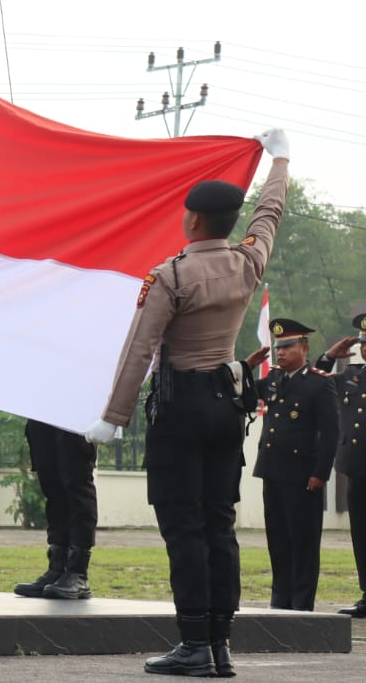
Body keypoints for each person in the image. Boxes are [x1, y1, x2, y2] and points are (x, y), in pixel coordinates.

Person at [84, 128, 290, 678]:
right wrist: (281, 157)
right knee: (219, 524)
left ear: (192, 220)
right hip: (227, 407)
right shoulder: (247, 265)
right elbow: (268, 216)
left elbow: (139, 351)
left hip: (180, 411)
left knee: (184, 526)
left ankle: (194, 643)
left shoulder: (172, 275)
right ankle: (220, 645)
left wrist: (113, 417)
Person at [250, 318, 338, 611]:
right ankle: (280, 599)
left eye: (288, 346)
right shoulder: (274, 379)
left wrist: (320, 473)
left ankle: (301, 603)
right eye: (278, 348)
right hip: (272, 472)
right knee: (278, 538)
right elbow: (245, 394)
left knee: (302, 540)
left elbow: (330, 433)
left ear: (304, 348)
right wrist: (247, 366)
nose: (281, 353)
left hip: (302, 476)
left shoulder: (318, 383)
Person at [315, 311, 366, 616]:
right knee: (361, 533)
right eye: (364, 342)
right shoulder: (351, 376)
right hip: (357, 469)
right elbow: (313, 384)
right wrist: (328, 357)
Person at [13, 420, 97, 599]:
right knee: (51, 484)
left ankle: (78, 573)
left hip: (75, 412)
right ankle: (57, 568)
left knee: (77, 484)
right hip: (44, 411)